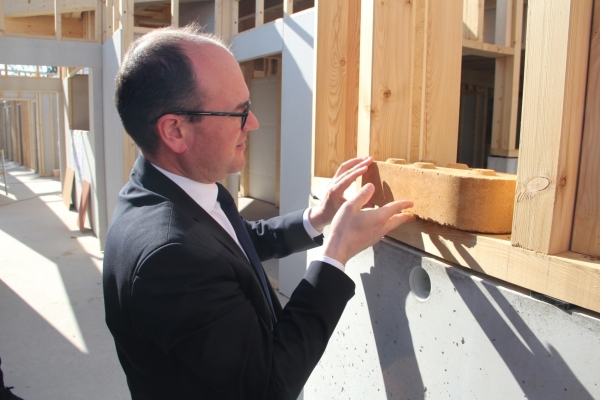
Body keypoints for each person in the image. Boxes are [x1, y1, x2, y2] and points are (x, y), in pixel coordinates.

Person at [103, 24, 413, 399]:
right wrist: (335, 255)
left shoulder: (176, 188)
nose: (253, 123)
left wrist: (319, 218)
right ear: (175, 131)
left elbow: (235, 244)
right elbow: (268, 385)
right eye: (238, 112)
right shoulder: (168, 257)